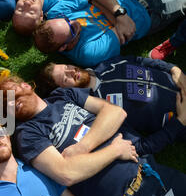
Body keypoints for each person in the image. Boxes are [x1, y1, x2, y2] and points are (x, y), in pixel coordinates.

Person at [0, 75, 186, 196]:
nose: (9, 104)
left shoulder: (63, 95)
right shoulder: (27, 134)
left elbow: (115, 112)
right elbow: (65, 173)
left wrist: (82, 148)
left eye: (11, 95)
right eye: (4, 106)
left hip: (151, 175)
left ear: (26, 86)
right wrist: (114, 151)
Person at [33, 0, 186, 67]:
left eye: (67, 21)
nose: (75, 23)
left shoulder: (56, 14)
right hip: (151, 14)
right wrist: (94, 0)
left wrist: (120, 15)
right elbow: (127, 29)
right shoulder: (87, 53)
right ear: (63, 47)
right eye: (72, 30)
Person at [39, 55, 186, 136]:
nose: (72, 71)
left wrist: (173, 69)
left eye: (66, 67)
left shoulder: (107, 65)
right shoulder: (101, 111)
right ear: (64, 91)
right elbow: (138, 143)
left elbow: (139, 60)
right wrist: (180, 122)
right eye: (66, 78)